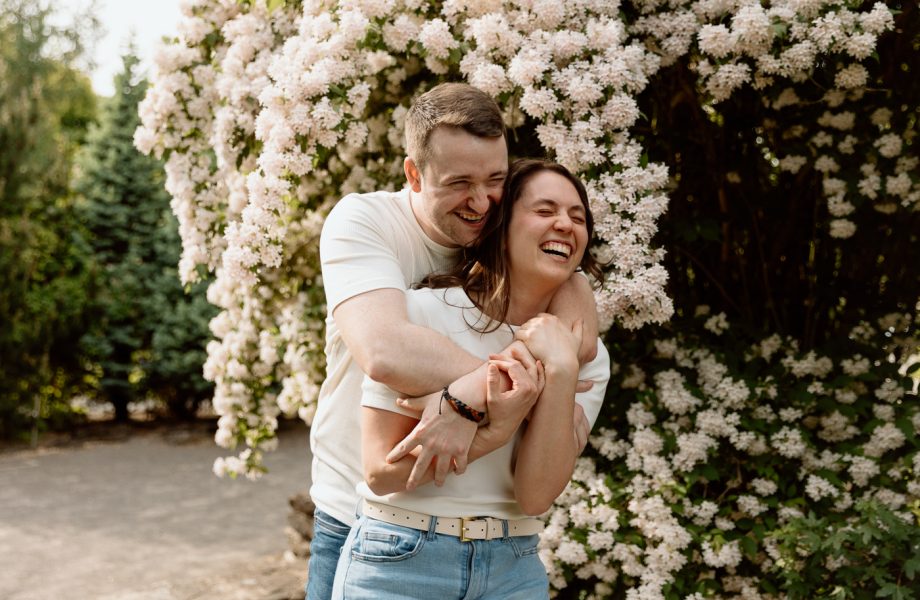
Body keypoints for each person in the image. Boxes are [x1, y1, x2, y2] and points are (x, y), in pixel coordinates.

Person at [309, 84, 599, 599]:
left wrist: (574, 291)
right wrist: (498, 398)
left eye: (496, 181)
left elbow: (575, 323)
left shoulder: (505, 238)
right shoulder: (368, 223)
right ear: (414, 175)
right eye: (459, 183)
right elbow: (386, 352)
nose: (481, 202)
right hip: (356, 509)